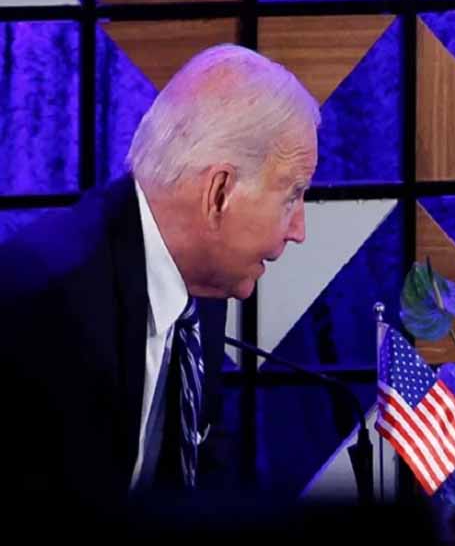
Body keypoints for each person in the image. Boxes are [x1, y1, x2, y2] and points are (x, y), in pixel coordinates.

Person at [0, 44, 320, 519]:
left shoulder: (201, 286)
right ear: (220, 192)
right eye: (291, 196)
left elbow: (202, 481)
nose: (299, 230)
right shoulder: (49, 304)